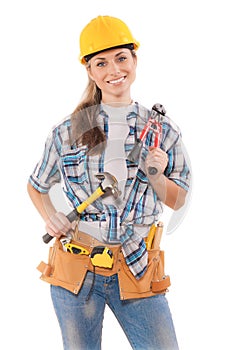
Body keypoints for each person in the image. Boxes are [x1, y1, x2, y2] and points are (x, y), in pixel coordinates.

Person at [27, 15, 191, 350]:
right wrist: (51, 217)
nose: (114, 70)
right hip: (76, 269)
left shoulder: (161, 130)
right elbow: (36, 185)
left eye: (121, 58)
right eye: (101, 63)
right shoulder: (71, 128)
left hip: (138, 266)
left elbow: (178, 201)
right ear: (89, 70)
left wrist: (156, 175)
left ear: (134, 59)